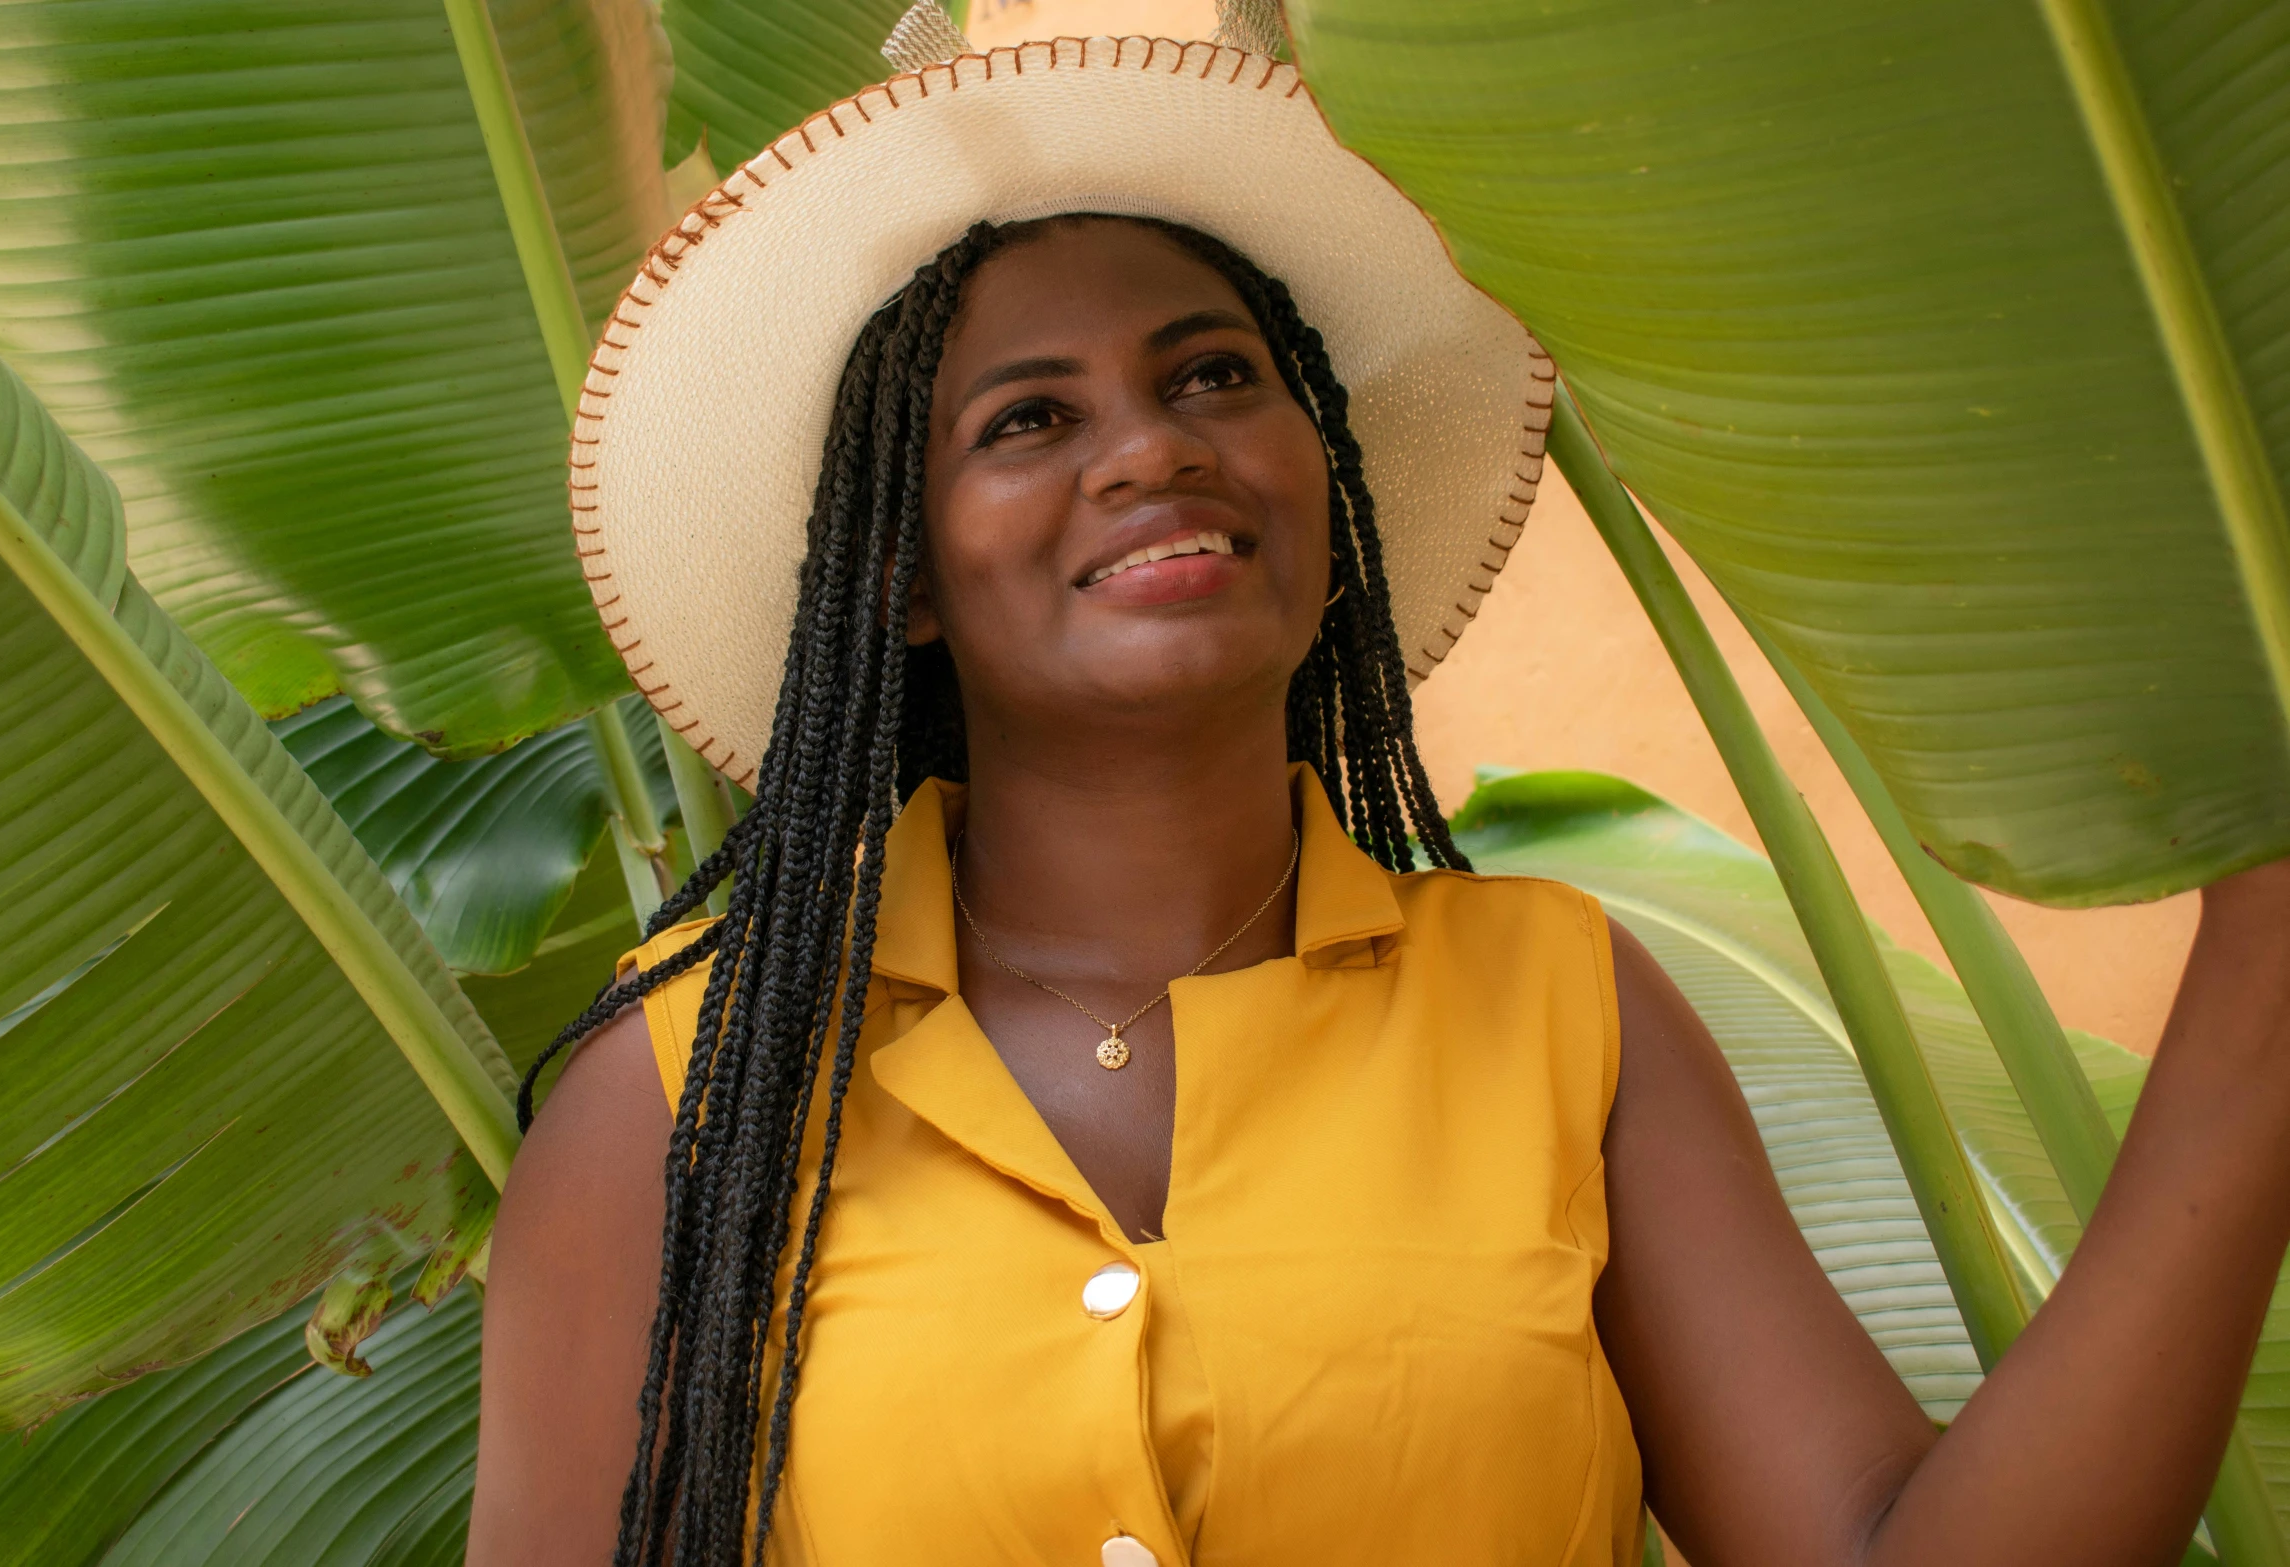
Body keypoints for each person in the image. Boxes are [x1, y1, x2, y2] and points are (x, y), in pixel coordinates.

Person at [467, 21, 2290, 1567]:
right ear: (905, 580)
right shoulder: (680, 1092)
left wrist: (2261, 988)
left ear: (1320, 503)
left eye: (1213, 376)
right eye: (1028, 418)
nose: (1155, 444)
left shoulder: (1560, 1006)